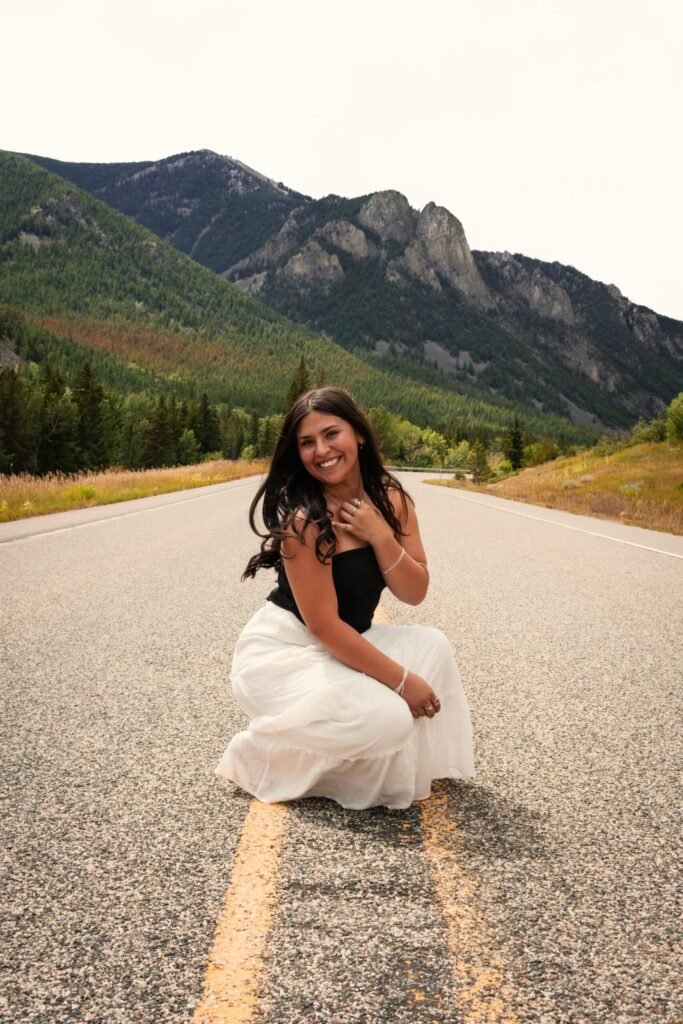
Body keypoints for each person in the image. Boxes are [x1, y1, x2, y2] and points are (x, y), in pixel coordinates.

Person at [216, 386, 474, 809]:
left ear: (358, 435)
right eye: (307, 443)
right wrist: (403, 683)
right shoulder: (305, 522)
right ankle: (263, 753)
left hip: (345, 641)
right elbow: (324, 627)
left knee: (434, 646)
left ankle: (383, 765)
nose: (321, 450)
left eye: (331, 433)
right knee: (391, 717)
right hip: (286, 652)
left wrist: (380, 535)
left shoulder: (391, 500)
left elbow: (414, 592)